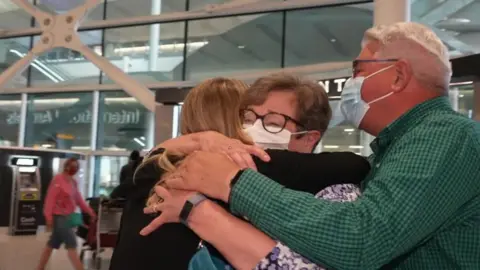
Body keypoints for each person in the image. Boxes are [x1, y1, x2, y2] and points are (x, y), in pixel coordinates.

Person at [142, 22, 480, 269]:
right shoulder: (398, 148)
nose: (352, 83)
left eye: (359, 71)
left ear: (397, 76)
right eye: (250, 117)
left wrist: (233, 182)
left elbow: (360, 240)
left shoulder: (444, 137)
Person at [109, 77, 370, 270]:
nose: (254, 128)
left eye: (271, 122)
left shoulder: (155, 169)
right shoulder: (244, 167)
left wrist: (180, 143)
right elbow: (352, 165)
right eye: (248, 118)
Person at [37, 158, 96, 270]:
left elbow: (79, 200)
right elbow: (50, 199)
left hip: (67, 217)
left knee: (52, 244)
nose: (75, 169)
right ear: (66, 166)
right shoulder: (58, 180)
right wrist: (48, 217)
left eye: (77, 167)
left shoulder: (73, 182)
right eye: (73, 166)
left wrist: (90, 212)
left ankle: (39, 268)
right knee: (71, 243)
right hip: (59, 217)